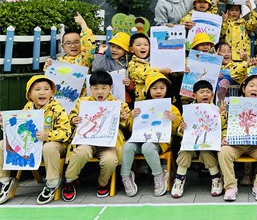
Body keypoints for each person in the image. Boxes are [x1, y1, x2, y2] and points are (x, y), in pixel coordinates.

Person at [0, 76, 71, 205]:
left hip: (54, 145)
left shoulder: (57, 108)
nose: (42, 92)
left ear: (52, 92)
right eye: (37, 89)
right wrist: (4, 123)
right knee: (1, 144)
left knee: (49, 147)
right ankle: (4, 181)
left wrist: (48, 135)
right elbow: (17, 129)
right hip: (31, 145)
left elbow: (66, 133)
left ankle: (52, 183)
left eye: (46, 89)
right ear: (29, 94)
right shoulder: (27, 108)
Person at [62, 71, 131, 201]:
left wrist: (124, 118)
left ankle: (103, 183)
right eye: (95, 88)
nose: (100, 92)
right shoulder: (83, 102)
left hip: (109, 143)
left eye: (104, 88)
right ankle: (69, 182)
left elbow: (128, 124)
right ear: (90, 88)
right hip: (87, 141)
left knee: (110, 160)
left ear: (110, 88)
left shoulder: (119, 104)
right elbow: (71, 115)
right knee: (80, 153)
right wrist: (73, 119)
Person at [121, 70, 181, 198]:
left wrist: (175, 119)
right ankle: (126, 176)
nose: (158, 91)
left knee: (147, 147)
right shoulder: (141, 107)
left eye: (162, 88)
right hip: (140, 139)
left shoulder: (172, 108)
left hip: (160, 142)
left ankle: (159, 176)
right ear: (148, 90)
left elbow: (178, 130)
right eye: (154, 88)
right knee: (127, 146)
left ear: (166, 89)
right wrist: (132, 117)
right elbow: (132, 129)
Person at [218, 75, 257, 201]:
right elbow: (225, 125)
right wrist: (224, 137)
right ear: (244, 89)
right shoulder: (233, 104)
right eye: (251, 86)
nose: (254, 89)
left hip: (256, 146)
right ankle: (231, 187)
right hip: (235, 145)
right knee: (223, 151)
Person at [172, 80, 226, 199]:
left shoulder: (216, 109)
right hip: (191, 143)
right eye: (201, 92)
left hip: (209, 144)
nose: (205, 94)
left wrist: (222, 115)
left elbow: (221, 127)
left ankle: (216, 178)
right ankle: (179, 180)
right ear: (194, 95)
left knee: (206, 152)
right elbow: (180, 130)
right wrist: (182, 129)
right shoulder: (189, 110)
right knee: (185, 152)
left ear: (212, 95)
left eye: (208, 92)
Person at [128, 33, 153, 102]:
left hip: (160, 96)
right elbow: (142, 76)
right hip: (143, 99)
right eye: (138, 45)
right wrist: (159, 71)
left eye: (146, 45)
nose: (143, 47)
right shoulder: (132, 64)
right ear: (132, 49)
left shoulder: (155, 59)